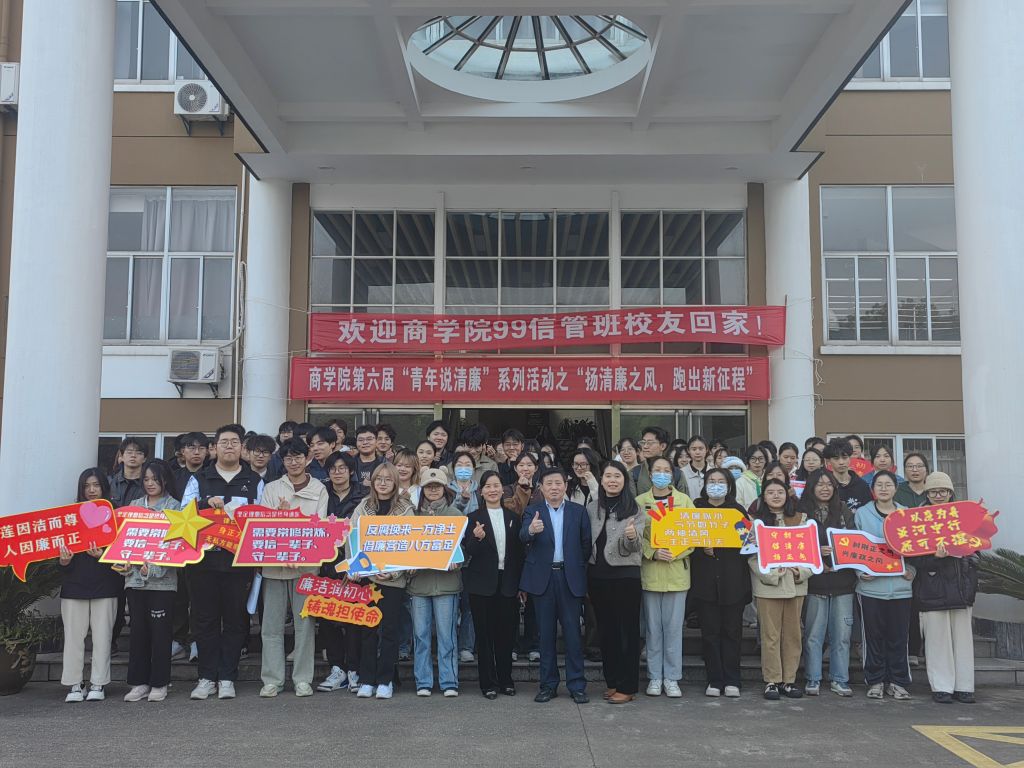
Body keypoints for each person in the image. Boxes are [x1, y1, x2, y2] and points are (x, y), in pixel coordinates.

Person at [181, 424, 264, 701]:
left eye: (234, 442)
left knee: (235, 621)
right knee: (204, 620)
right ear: (214, 448)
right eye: (224, 442)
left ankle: (227, 677)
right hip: (203, 563)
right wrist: (206, 504)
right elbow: (183, 515)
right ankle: (206, 677)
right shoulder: (199, 479)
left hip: (239, 564)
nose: (229, 446)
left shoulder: (255, 480)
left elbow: (263, 519)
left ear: (243, 448)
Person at [256, 438, 328, 698]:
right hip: (275, 567)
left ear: (307, 458)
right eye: (288, 458)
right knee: (271, 626)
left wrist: (297, 541)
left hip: (306, 567)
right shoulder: (272, 488)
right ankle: (272, 680)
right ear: (283, 461)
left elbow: (320, 526)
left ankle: (302, 679)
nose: (294, 462)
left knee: (304, 625)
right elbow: (263, 525)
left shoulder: (319, 488)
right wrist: (280, 514)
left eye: (298, 457)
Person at [520, 466, 593, 703]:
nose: (554, 487)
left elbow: (585, 545)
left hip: (569, 577)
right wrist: (531, 530)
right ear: (541, 487)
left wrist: (575, 568)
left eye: (558, 483)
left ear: (565, 486)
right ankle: (548, 685)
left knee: (573, 635)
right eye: (549, 483)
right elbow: (522, 537)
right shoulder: (533, 511)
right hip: (543, 579)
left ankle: (577, 685)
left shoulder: (578, 512)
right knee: (546, 636)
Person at [349, 463, 414, 699]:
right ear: (373, 482)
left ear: (395, 482)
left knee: (389, 631)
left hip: (393, 581)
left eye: (388, 479)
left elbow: (410, 544)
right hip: (368, 580)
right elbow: (352, 538)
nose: (383, 483)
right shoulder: (363, 506)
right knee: (368, 631)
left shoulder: (405, 509)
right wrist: (356, 568)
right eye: (379, 479)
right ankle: (367, 679)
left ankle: (386, 680)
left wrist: (394, 572)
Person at [59, 469, 123, 703]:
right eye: (86, 486)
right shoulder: (69, 516)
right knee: (73, 638)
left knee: (103, 637)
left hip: (106, 585)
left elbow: (123, 555)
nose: (91, 490)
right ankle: (74, 684)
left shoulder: (116, 515)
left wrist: (102, 555)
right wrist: (64, 561)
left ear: (104, 487)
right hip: (74, 586)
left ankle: (98, 682)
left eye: (96, 485)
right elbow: (60, 557)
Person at [121, 460, 181, 703]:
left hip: (162, 583)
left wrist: (153, 569)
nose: (150, 483)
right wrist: (125, 565)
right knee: (138, 633)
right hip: (134, 581)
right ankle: (139, 683)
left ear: (165, 480)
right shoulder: (134, 506)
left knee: (160, 634)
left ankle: (159, 682)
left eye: (155, 479)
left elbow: (176, 547)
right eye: (146, 479)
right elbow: (124, 541)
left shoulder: (174, 507)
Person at [915, 471, 977, 704]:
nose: (938, 495)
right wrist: (935, 558)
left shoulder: (964, 517)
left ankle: (965, 686)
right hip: (931, 588)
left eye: (943, 491)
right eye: (933, 491)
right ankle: (941, 687)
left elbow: (977, 550)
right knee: (937, 640)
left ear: (951, 492)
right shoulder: (917, 520)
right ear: (927, 494)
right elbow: (914, 559)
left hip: (961, 587)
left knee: (963, 640)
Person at [854, 470, 917, 700]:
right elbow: (852, 547)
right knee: (873, 638)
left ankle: (898, 682)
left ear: (895, 488)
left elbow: (917, 548)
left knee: (899, 638)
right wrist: (860, 572)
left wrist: (912, 570)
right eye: (878, 484)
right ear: (872, 489)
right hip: (871, 589)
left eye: (888, 484)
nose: (883, 488)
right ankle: (875, 681)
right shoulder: (862, 514)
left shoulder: (906, 514)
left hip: (901, 588)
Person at [463, 470, 526, 698]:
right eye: (488, 486)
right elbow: (468, 552)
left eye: (496, 485)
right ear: (481, 491)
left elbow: (519, 554)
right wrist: (476, 538)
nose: (492, 490)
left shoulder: (513, 517)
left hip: (508, 584)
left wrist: (521, 585)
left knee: (506, 636)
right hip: (481, 585)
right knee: (484, 636)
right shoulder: (472, 518)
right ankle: (487, 683)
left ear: (502, 489)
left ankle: (506, 680)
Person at [585, 461, 644, 704]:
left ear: (624, 481)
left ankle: (627, 686)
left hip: (625, 577)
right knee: (606, 632)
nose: (612, 480)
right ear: (601, 480)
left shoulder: (635, 508)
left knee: (627, 632)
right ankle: (613, 682)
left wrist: (631, 536)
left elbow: (636, 547)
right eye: (608, 476)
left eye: (617, 476)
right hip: (597, 577)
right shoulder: (592, 507)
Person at [689, 467, 751, 698]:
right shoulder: (696, 508)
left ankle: (733, 679)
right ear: (705, 485)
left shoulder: (737, 510)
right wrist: (700, 548)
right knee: (710, 633)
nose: (716, 485)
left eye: (720, 481)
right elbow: (684, 540)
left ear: (729, 485)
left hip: (732, 582)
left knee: (732, 633)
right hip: (705, 583)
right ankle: (714, 679)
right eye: (711, 481)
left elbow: (748, 544)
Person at [636, 457, 693, 699]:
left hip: (677, 573)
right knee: (653, 629)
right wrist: (652, 552)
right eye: (657, 470)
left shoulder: (684, 501)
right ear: (650, 474)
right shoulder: (640, 502)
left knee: (673, 629)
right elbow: (636, 535)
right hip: (651, 572)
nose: (661, 474)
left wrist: (677, 551)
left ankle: (671, 678)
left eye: (666, 470)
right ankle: (654, 677)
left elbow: (693, 533)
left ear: (673, 474)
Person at [748, 478, 809, 700]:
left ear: (787, 495)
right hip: (768, 587)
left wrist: (800, 572)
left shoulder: (801, 519)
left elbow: (810, 553)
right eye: (770, 492)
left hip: (795, 585)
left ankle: (789, 680)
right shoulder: (756, 523)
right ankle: (772, 680)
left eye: (780, 492)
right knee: (770, 636)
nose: (775, 496)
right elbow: (751, 557)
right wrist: (771, 575)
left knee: (793, 635)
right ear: (763, 497)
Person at [798, 469, 856, 697]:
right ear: (811, 487)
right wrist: (816, 554)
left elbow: (854, 541)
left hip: (843, 581)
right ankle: (813, 678)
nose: (825, 488)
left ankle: (840, 679)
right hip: (815, 582)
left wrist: (838, 556)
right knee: (814, 634)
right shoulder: (801, 512)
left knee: (842, 636)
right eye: (820, 484)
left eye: (829, 484)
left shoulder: (844, 510)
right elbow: (795, 544)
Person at [407, 467, 464, 697]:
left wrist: (458, 560)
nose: (433, 490)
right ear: (422, 490)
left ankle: (449, 681)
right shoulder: (412, 516)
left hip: (447, 584)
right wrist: (406, 563)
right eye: (429, 487)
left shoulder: (456, 515)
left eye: (437, 486)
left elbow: (464, 549)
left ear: (444, 489)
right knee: (420, 636)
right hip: (419, 584)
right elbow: (404, 547)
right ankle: (423, 681)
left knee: (446, 635)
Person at [317, 451, 361, 693]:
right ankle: (337, 669)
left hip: (354, 568)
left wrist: (355, 564)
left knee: (353, 619)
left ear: (351, 471)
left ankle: (354, 669)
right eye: (333, 468)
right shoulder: (321, 493)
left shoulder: (363, 495)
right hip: (325, 565)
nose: (338, 472)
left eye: (343, 468)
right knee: (328, 619)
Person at [823, 438, 873, 514]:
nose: (841, 462)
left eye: (845, 458)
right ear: (828, 461)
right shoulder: (824, 485)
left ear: (850, 459)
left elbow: (868, 513)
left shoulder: (862, 485)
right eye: (836, 458)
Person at [633, 426, 683, 494]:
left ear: (663, 446)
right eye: (643, 442)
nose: (645, 446)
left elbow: (684, 499)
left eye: (650, 443)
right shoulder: (634, 473)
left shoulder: (677, 473)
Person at [502, 451, 543, 517]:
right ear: (515, 468)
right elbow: (511, 513)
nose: (525, 469)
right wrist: (522, 488)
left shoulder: (541, 490)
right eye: (521, 465)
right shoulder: (507, 489)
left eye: (529, 465)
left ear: (536, 468)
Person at [109, 437, 147, 508]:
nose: (133, 456)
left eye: (138, 453)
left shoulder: (149, 484)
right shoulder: (111, 482)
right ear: (121, 456)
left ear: (144, 459)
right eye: (129, 452)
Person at [567, 447, 601, 511]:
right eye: (576, 464)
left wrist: (593, 484)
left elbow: (601, 508)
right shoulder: (569, 485)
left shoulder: (602, 484)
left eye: (583, 464)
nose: (579, 468)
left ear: (592, 465)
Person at [352, 425, 384, 489]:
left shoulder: (385, 463)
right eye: (361, 440)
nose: (365, 442)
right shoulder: (348, 463)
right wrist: (362, 485)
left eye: (369, 439)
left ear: (376, 441)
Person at [681, 435, 710, 500]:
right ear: (688, 450)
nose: (697, 452)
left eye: (701, 449)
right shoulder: (682, 473)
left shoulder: (714, 471)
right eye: (694, 449)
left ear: (707, 449)